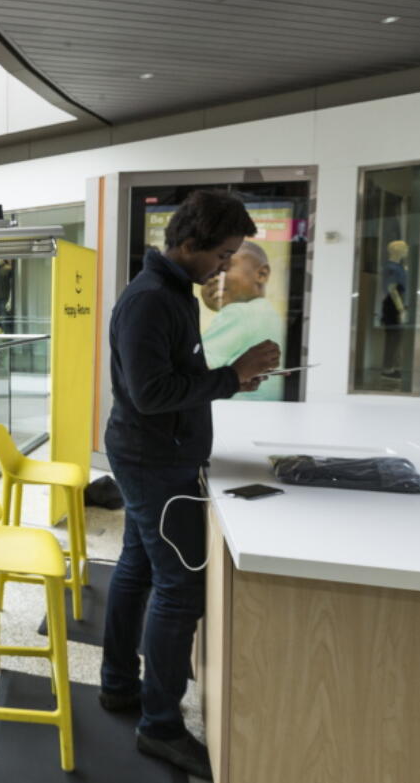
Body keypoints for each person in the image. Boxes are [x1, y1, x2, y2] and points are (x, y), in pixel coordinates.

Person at [100, 190, 280, 780]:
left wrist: (228, 380)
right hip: (155, 461)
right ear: (189, 243)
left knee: (139, 567)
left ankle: (120, 686)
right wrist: (231, 374)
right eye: (223, 254)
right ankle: (159, 726)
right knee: (180, 590)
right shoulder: (151, 300)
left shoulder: (171, 294)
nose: (226, 267)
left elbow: (173, 377)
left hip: (157, 455)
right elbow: (152, 397)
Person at [200, 240, 286, 400]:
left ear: (262, 274)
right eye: (214, 271)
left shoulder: (238, 313)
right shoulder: (267, 314)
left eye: (225, 267)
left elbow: (197, 369)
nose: (214, 277)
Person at [380, 239, 410, 379]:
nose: (407, 251)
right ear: (398, 250)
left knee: (397, 337)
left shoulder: (398, 267)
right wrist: (401, 308)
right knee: (392, 337)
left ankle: (393, 366)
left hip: (396, 303)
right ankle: (388, 368)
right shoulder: (391, 268)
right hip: (393, 304)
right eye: (405, 248)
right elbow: (392, 289)